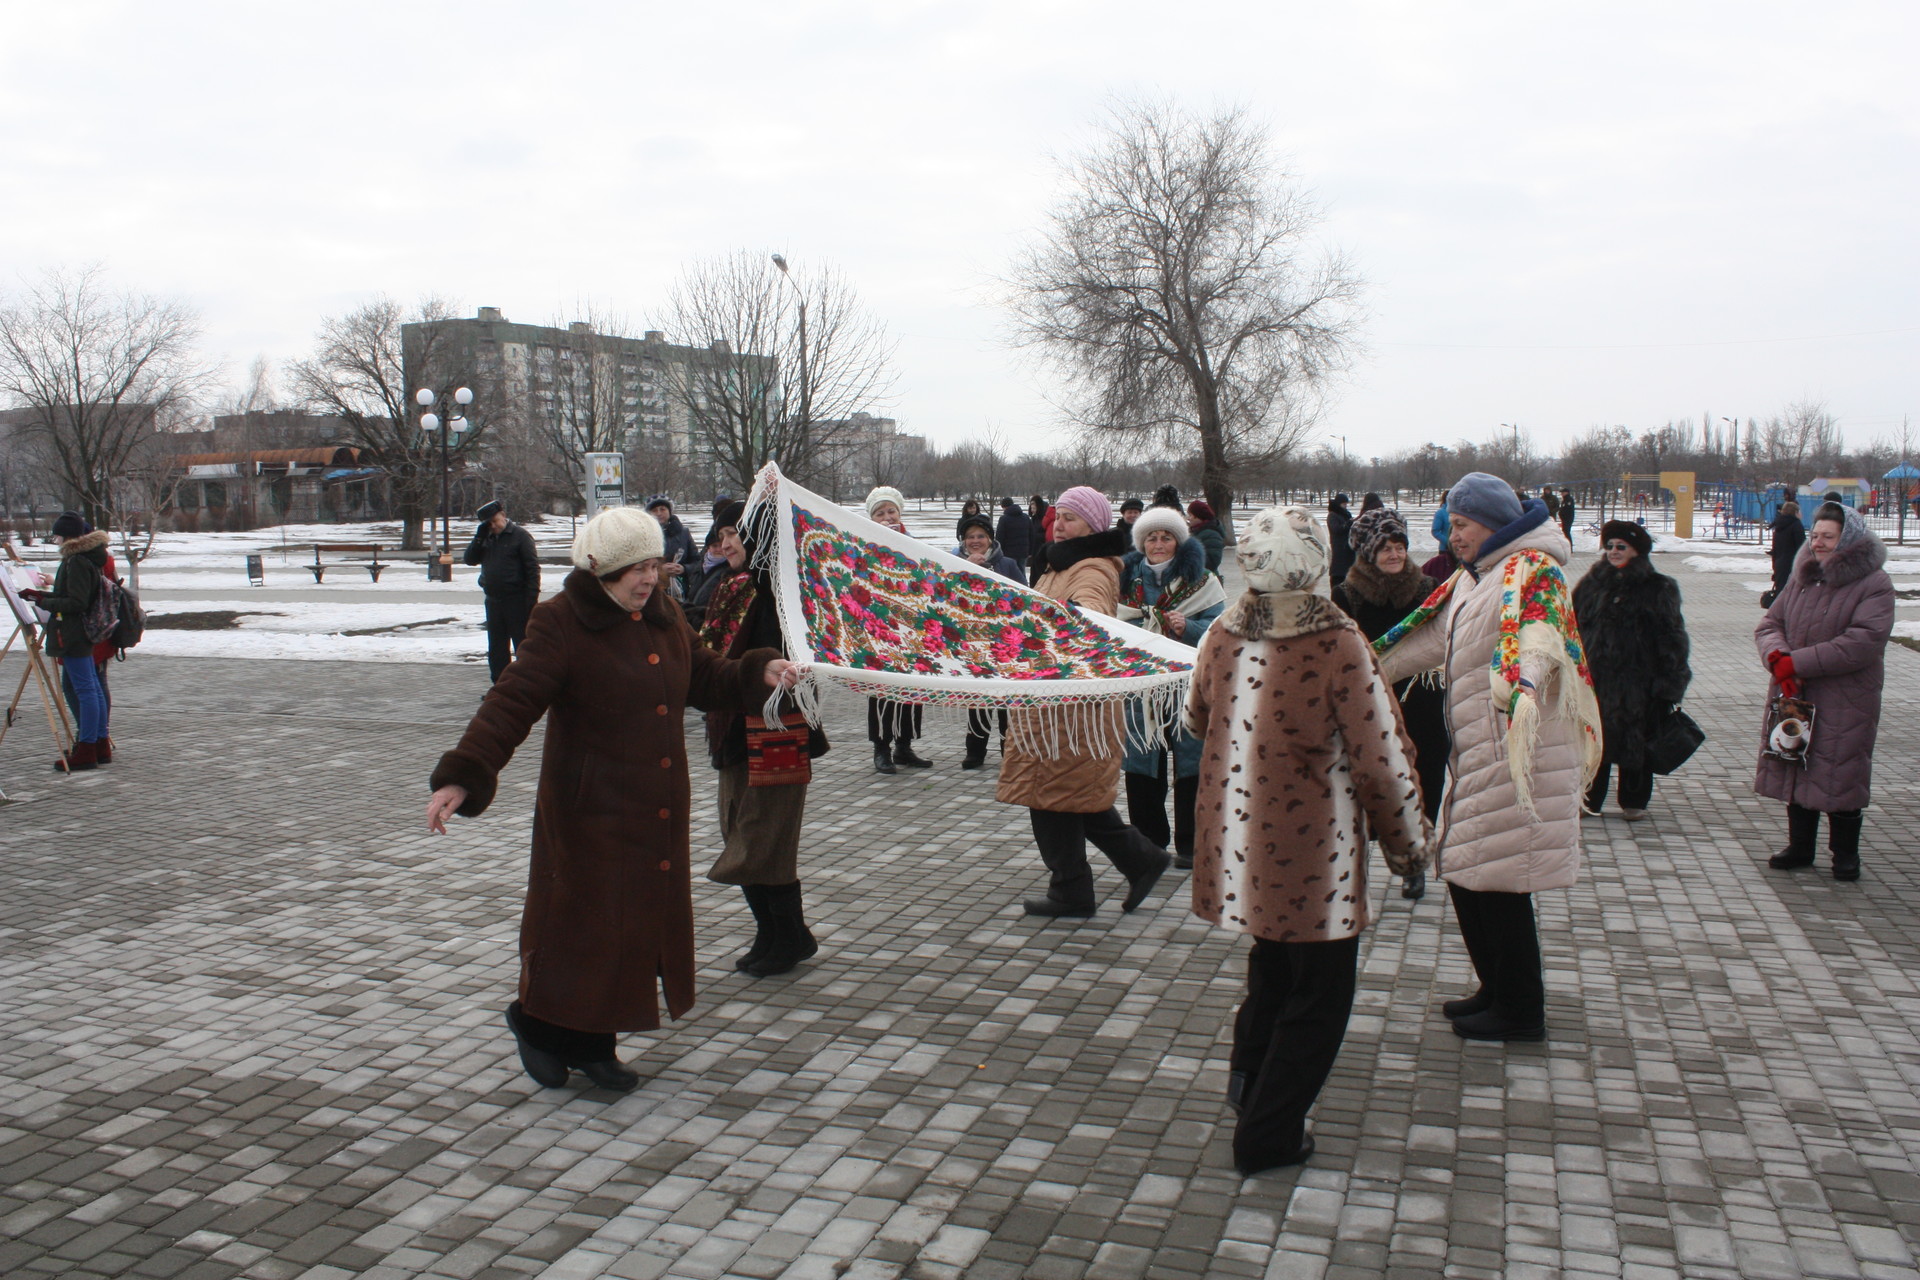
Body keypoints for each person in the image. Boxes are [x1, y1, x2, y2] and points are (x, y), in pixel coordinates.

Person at [425, 507, 797, 1092]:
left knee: (631, 929)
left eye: (654, 566)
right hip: (587, 812)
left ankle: (596, 1043)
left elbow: (704, 676)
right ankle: (538, 1025)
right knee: (581, 928)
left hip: (655, 811)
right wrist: (463, 775)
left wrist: (758, 673)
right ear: (601, 569)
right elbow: (512, 701)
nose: (649, 579)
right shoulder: (561, 622)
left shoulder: (664, 614)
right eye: (635, 569)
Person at [1183, 504, 1432, 1175]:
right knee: (1319, 996)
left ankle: (1246, 1083)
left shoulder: (1224, 634)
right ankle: (1268, 1134)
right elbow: (1383, 756)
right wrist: (1409, 848)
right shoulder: (1338, 643)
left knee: (1271, 969)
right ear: (1317, 558)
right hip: (1313, 857)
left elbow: (1194, 713)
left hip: (1242, 845)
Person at [1376, 473, 1601, 1042]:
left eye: (1463, 524)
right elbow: (1430, 642)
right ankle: (1495, 989)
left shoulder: (1533, 572)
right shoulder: (1473, 581)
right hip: (1479, 751)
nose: (1455, 536)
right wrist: (1366, 667)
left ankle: (1521, 1011)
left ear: (1494, 523)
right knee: (1468, 872)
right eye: (1451, 525)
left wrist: (1524, 686)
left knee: (1499, 879)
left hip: (1522, 752)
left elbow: (1544, 638)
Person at [998, 485, 1172, 918]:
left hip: (1073, 707)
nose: (1061, 526)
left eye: (1071, 519)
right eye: (1058, 518)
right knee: (1070, 799)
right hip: (1052, 700)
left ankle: (1073, 889)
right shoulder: (1058, 564)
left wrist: (1055, 622)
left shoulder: (1091, 567)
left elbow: (1087, 618)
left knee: (1053, 798)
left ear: (1093, 525)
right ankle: (1138, 863)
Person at [697, 500, 833, 975]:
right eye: (721, 535)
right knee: (740, 833)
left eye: (734, 532)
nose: (725, 543)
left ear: (759, 538)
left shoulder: (784, 594)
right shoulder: (732, 588)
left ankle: (788, 937)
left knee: (763, 841)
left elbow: (795, 666)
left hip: (775, 735)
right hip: (734, 734)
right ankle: (777, 934)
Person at [1756, 503, 1893, 881]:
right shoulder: (1803, 577)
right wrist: (1777, 658)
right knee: (1796, 765)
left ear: (1848, 540)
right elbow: (1770, 623)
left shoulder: (1873, 583)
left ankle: (1845, 854)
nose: (1818, 543)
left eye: (1828, 537)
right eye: (1815, 535)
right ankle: (1800, 846)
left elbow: (1862, 642)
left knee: (1840, 771)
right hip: (1795, 692)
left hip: (1846, 697)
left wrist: (1796, 663)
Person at [1331, 508, 1447, 899]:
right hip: (1369, 705)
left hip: (1421, 701)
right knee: (1366, 781)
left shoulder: (1427, 589)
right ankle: (1356, 858)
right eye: (1385, 548)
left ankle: (1414, 862)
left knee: (1422, 778)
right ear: (1366, 551)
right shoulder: (1345, 594)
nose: (1395, 554)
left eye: (1399, 546)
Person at [1117, 505, 1227, 868]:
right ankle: (1149, 842)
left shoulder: (1204, 581)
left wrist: (1188, 628)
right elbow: (1112, 624)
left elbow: (1219, 630)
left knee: (1191, 760)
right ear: (1141, 542)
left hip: (1187, 684)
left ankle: (1192, 843)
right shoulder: (1125, 582)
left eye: (1166, 537)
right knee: (1141, 757)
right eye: (1151, 537)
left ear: (1179, 543)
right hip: (1141, 684)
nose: (1158, 543)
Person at [1572, 521, 1692, 821]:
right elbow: (1570, 625)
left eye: (1621, 547)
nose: (1613, 552)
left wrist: (1668, 684)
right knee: (1593, 741)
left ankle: (1634, 800)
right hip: (1595, 681)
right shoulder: (1592, 582)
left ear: (1636, 550)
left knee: (1635, 742)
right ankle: (1589, 798)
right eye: (1610, 546)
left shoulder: (1657, 587)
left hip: (1638, 683)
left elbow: (1673, 637)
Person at [20, 512, 110, 772]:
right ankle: (98, 744)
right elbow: (73, 596)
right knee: (88, 687)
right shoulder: (85, 558)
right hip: (78, 632)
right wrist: (44, 595)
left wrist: (43, 601)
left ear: (68, 536)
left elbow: (77, 602)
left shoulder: (77, 561)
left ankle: (89, 748)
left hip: (74, 633)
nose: (56, 539)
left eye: (58, 534)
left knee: (86, 690)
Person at [864, 486, 930, 772]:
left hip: (909, 629)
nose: (887, 517)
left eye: (891, 511)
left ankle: (904, 745)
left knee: (911, 689)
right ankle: (881, 748)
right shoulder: (866, 546)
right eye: (880, 513)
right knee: (882, 690)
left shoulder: (913, 544)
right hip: (880, 630)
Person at [955, 513, 1022, 768]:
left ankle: (1010, 749)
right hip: (974, 641)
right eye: (970, 536)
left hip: (1005, 641)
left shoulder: (1008, 564)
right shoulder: (954, 563)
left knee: (1007, 700)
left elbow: (1022, 596)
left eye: (980, 536)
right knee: (979, 699)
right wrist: (968, 570)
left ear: (990, 539)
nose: (975, 541)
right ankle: (975, 750)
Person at [464, 501, 542, 682]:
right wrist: (478, 538)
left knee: (522, 646)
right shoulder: (486, 538)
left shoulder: (520, 536)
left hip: (517, 600)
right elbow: (470, 560)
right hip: (493, 601)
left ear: (503, 515)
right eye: (488, 524)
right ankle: (501, 686)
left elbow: (532, 570)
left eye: (495, 521)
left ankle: (526, 685)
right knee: (497, 647)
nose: (493, 526)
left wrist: (531, 601)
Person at [645, 495, 696, 598]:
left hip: (682, 590)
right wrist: (659, 569)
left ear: (669, 511)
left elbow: (697, 562)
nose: (659, 513)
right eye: (654, 510)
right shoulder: (644, 534)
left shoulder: (684, 533)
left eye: (662, 509)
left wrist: (683, 568)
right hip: (653, 591)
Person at [1767, 500, 1805, 603]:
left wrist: (1775, 568)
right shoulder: (1796, 525)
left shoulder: (1778, 526)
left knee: (1781, 595)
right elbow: (1802, 548)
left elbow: (1775, 550)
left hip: (1780, 564)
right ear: (1795, 512)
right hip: (1793, 565)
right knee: (1793, 597)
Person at [995, 497, 1033, 577]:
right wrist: (1030, 551)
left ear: (1004, 507)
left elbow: (999, 537)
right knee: (1022, 573)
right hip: (1023, 551)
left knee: (1011, 575)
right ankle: (1024, 587)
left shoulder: (1004, 519)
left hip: (1009, 552)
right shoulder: (1026, 517)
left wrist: (999, 550)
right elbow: (1031, 535)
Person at [1186, 500, 1226, 573]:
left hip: (1207, 580)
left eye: (1190, 515)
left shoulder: (1212, 535)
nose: (1188, 518)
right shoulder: (1195, 532)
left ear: (1198, 516)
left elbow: (1212, 563)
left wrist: (1187, 556)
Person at [1326, 494, 1355, 585]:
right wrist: (1349, 523)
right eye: (1344, 504)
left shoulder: (1346, 513)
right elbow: (1336, 529)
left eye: (1346, 504)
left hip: (1348, 547)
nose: (1345, 506)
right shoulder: (1332, 515)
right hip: (1339, 546)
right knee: (1338, 569)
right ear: (1339, 503)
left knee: (1348, 568)